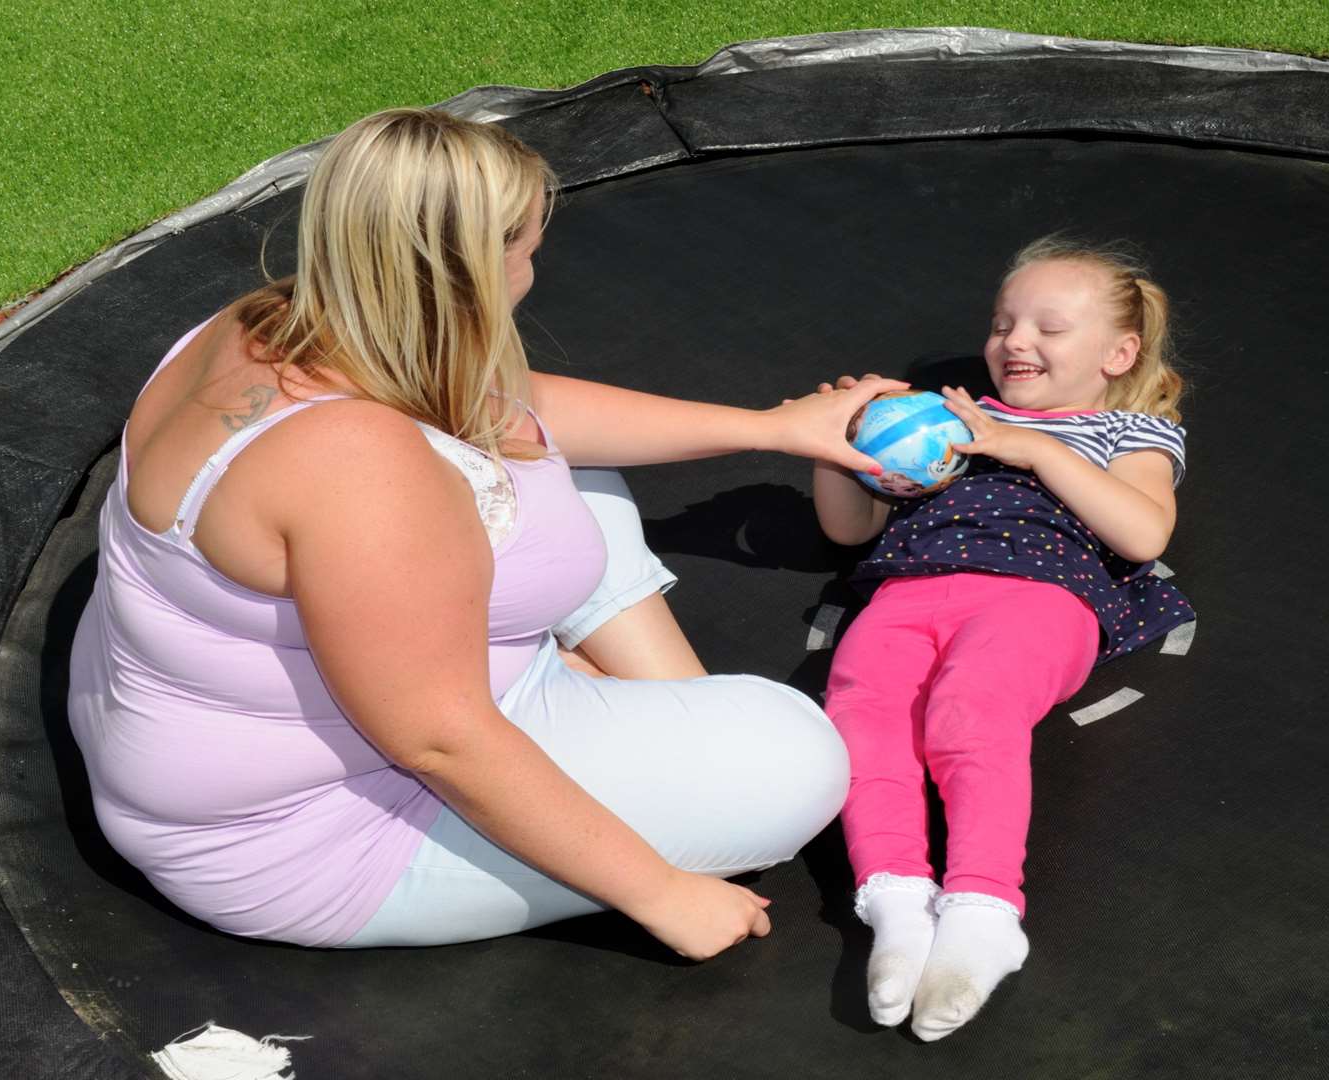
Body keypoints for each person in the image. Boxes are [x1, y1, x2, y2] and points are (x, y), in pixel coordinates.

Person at [67, 107, 903, 960]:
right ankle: (670, 725)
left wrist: (776, 427)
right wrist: (662, 895)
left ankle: (656, 711)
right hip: (306, 822)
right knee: (793, 759)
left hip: (221, 712)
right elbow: (436, 737)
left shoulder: (269, 317)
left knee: (553, 465)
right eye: (529, 249)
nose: (533, 270)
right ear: (471, 264)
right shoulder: (355, 463)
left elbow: (519, 409)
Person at [807, 237, 1196, 1040]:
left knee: (971, 709)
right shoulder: (938, 419)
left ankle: (984, 911)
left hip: (1039, 595)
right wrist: (837, 448)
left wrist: (1033, 448)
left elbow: (1143, 532)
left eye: (1048, 328)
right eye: (1002, 323)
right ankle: (897, 898)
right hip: (907, 589)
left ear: (1118, 353)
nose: (1014, 341)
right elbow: (849, 531)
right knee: (861, 711)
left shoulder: (1128, 431)